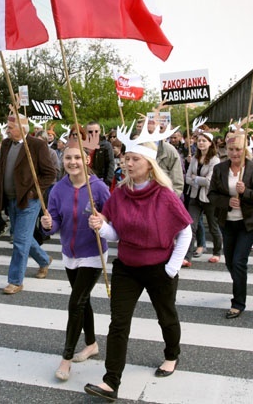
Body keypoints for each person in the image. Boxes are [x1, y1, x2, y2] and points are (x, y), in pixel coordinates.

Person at [84, 126, 192, 402]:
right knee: (118, 323)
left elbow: (185, 232)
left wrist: (172, 268)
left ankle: (172, 355)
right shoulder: (120, 194)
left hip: (159, 267)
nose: (128, 163)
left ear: (149, 164)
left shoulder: (165, 195)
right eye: (126, 158)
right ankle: (111, 382)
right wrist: (101, 226)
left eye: (135, 159)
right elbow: (116, 234)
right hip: (127, 268)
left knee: (165, 315)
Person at [40, 141, 110, 382]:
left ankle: (66, 359)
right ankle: (91, 344)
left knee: (75, 303)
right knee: (83, 301)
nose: (72, 162)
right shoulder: (58, 189)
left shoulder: (99, 188)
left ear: (86, 160)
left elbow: (112, 220)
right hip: (69, 254)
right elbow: (55, 221)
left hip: (93, 253)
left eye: (77, 158)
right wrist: (48, 225)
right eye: (68, 158)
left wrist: (101, 222)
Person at [0, 114, 56, 295]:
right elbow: (0, 172)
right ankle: (44, 260)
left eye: (10, 128)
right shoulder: (6, 144)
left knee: (19, 240)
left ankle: (15, 281)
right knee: (22, 237)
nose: (7, 131)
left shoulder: (36, 145)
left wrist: (35, 192)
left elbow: (50, 173)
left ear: (22, 128)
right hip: (10, 199)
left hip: (28, 200)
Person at [208, 131, 253, 319]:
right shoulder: (220, 169)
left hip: (248, 223)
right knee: (230, 262)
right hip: (227, 222)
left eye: (238, 150)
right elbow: (212, 195)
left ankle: (238, 302)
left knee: (239, 262)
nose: (235, 153)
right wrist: (227, 202)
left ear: (245, 151)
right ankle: (239, 284)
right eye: (231, 149)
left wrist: (246, 192)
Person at [184, 131, 223, 264]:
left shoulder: (215, 160)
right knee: (191, 226)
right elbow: (187, 178)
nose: (201, 143)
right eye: (199, 140)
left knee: (213, 226)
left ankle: (217, 252)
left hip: (209, 198)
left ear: (210, 143)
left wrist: (195, 178)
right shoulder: (194, 158)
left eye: (204, 141)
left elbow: (209, 181)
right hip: (195, 196)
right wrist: (196, 179)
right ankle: (187, 257)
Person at [86, 121, 115, 187]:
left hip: (100, 180)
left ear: (100, 131)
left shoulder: (106, 145)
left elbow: (110, 164)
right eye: (90, 132)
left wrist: (107, 182)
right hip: (85, 180)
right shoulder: (83, 145)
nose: (93, 134)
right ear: (86, 132)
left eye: (96, 131)